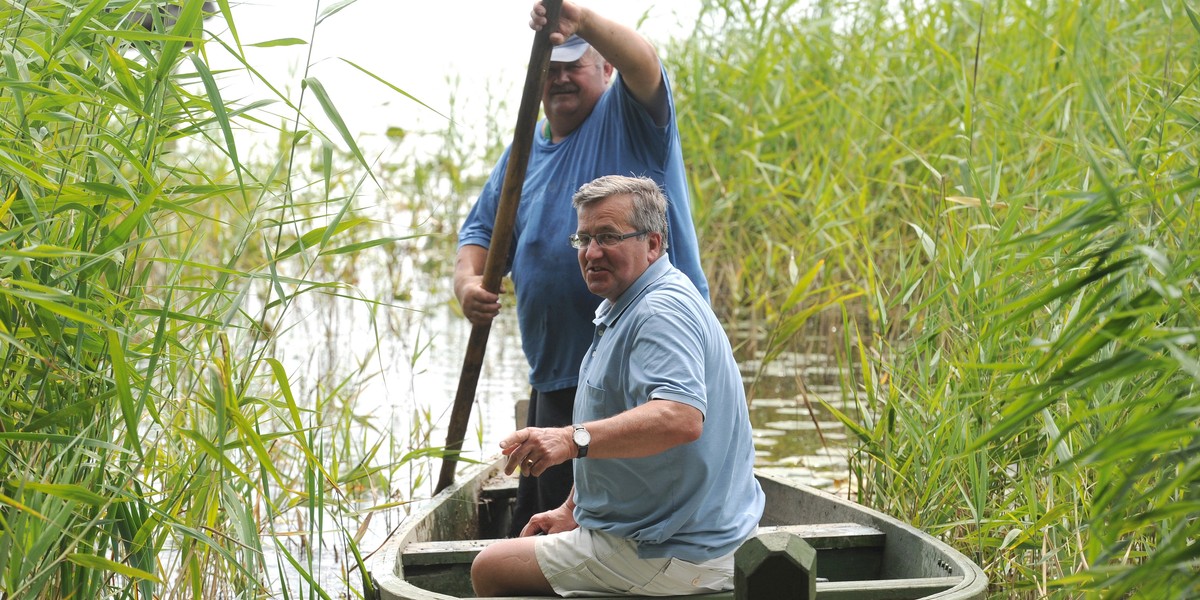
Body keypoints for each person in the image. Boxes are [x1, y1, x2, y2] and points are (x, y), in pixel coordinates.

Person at [454, 0, 709, 536]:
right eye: (551, 67)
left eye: (575, 63)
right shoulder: (524, 150)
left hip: (637, 380)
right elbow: (479, 235)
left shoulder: (627, 116)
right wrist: (468, 284)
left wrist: (579, 18)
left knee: (618, 527)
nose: (561, 77)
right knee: (547, 524)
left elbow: (646, 64)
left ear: (605, 69)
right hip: (557, 376)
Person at [470, 175, 763, 597]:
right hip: (678, 534)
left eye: (608, 236)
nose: (591, 253)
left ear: (654, 244)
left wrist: (570, 439)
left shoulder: (660, 310)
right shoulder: (630, 303)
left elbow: (679, 418)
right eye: (583, 238)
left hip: (677, 548)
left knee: (492, 568)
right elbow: (618, 422)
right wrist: (573, 509)